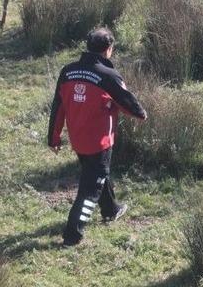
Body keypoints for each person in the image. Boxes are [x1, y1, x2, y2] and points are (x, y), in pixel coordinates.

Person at [47, 28, 147, 246]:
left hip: (78, 140)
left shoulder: (67, 71)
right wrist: (141, 114)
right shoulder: (109, 75)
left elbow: (58, 106)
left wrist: (53, 138)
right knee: (90, 190)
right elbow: (128, 102)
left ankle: (111, 210)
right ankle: (73, 234)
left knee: (98, 175)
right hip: (100, 142)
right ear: (108, 49)